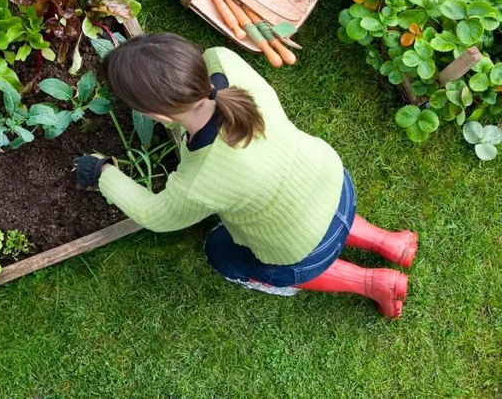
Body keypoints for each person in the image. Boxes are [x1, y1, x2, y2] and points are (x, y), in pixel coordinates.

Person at [73, 33, 418, 317]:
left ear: (155, 115)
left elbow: (155, 214)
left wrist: (102, 172)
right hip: (333, 182)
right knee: (309, 209)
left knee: (220, 252)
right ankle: (390, 242)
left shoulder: (201, 180)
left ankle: (373, 283)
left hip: (301, 249)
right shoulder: (224, 62)